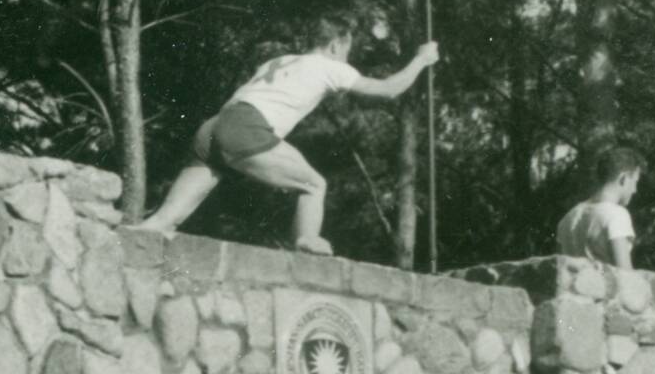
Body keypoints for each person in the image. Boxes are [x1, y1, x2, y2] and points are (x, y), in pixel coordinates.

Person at [136, 20, 440, 254]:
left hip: (213, 127)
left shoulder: (278, 61)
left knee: (162, 222)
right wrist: (421, 61)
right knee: (314, 185)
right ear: (336, 44)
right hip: (246, 127)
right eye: (346, 50)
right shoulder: (330, 66)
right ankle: (305, 240)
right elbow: (388, 89)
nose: (346, 58)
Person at [557, 144, 644, 268]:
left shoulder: (567, 218)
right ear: (623, 178)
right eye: (635, 182)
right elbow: (625, 276)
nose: (635, 190)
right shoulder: (617, 215)